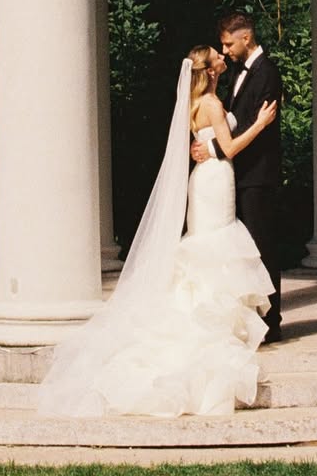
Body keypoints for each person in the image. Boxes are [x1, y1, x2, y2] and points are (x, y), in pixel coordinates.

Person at [36, 47, 278, 417]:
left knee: (205, 248)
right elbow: (228, 149)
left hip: (204, 180)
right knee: (217, 248)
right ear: (210, 70)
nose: (222, 56)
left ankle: (206, 316)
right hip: (216, 179)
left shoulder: (194, 103)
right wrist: (259, 124)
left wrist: (209, 145)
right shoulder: (212, 103)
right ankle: (213, 324)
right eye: (217, 56)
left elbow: (210, 143)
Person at [193, 12, 285, 342]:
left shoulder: (267, 73)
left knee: (262, 249)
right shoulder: (236, 72)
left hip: (258, 175)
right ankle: (244, 318)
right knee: (239, 252)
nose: (225, 50)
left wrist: (211, 148)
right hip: (233, 176)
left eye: (229, 44)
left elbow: (251, 125)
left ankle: (271, 322)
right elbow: (233, 121)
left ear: (246, 38)